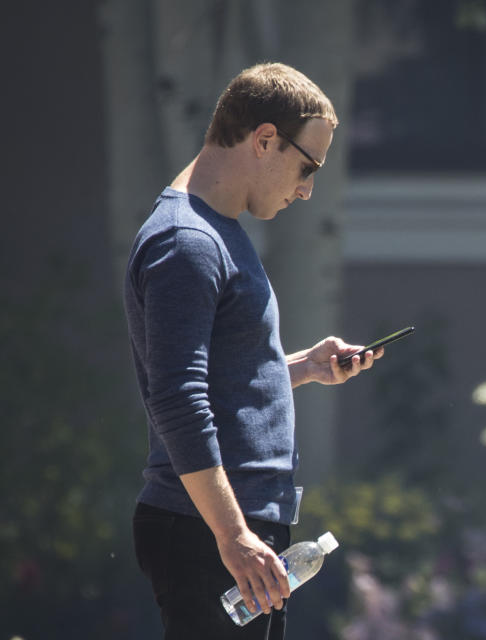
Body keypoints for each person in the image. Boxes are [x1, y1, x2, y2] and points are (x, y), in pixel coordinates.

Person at [123, 62, 381, 639]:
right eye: (306, 166)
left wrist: (303, 367)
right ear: (265, 139)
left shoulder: (216, 230)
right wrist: (233, 536)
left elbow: (217, 380)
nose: (307, 188)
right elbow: (177, 399)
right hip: (209, 530)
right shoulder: (187, 241)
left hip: (229, 529)